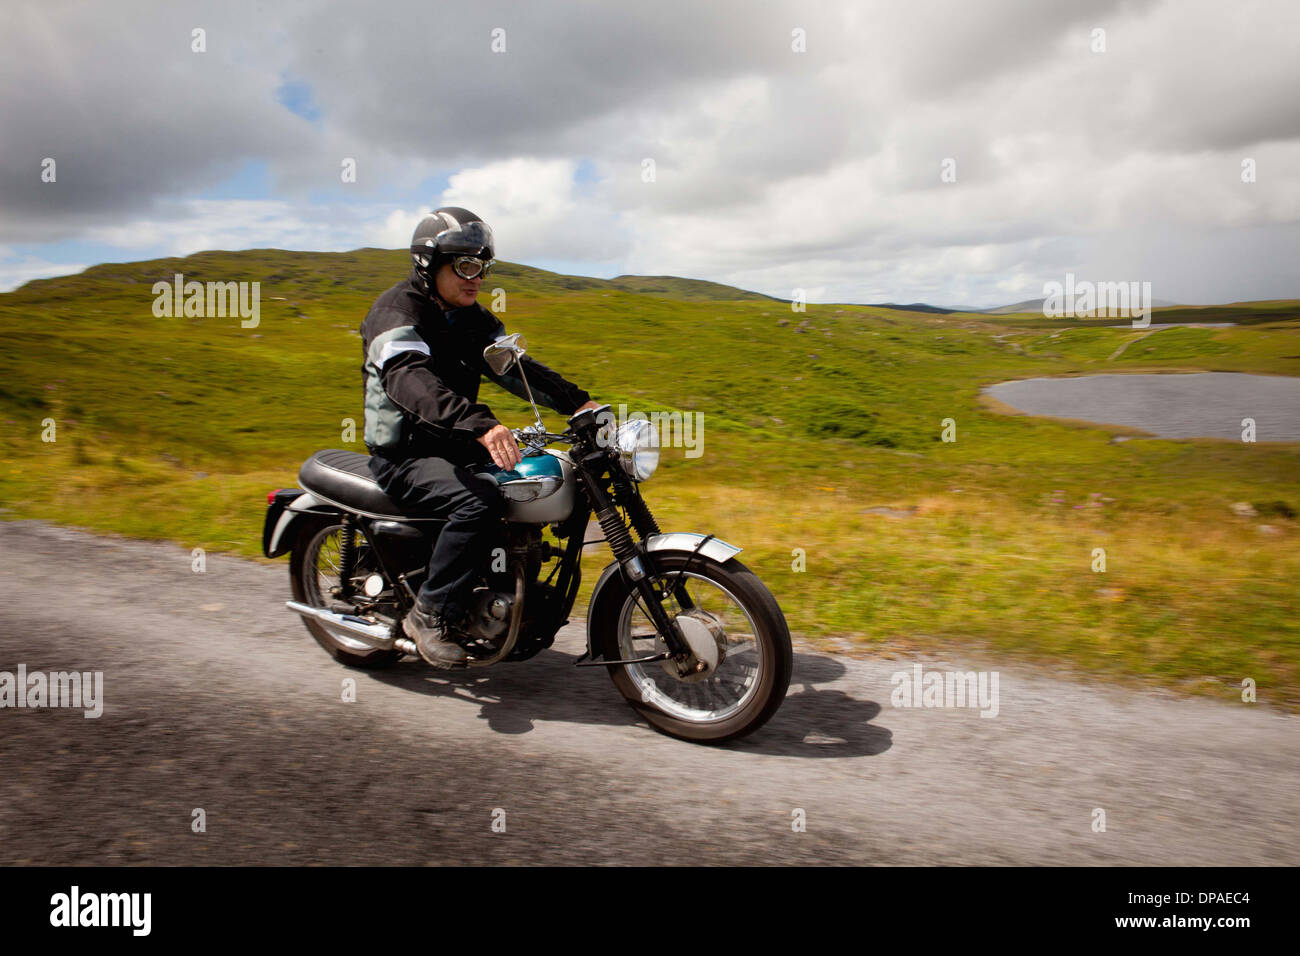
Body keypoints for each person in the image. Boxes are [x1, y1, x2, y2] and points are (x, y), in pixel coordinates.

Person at [360, 207, 599, 666]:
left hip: (454, 447)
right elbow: (411, 381)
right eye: (465, 266)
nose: (476, 278)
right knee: (479, 501)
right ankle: (429, 614)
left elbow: (513, 368)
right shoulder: (396, 314)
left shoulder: (470, 319)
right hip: (405, 455)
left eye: (482, 267)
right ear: (430, 265)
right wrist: (481, 425)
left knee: (525, 486)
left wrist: (577, 402)